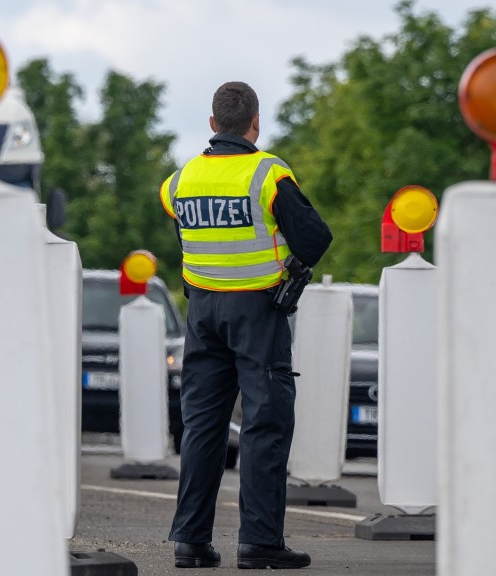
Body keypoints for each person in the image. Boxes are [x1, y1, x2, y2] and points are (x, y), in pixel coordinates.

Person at [159, 81, 332, 570]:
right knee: (264, 422)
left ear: (213, 124)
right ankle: (260, 542)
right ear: (255, 123)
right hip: (257, 312)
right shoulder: (267, 173)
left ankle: (190, 541)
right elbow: (315, 238)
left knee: (202, 425)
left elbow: (186, 230)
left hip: (202, 312)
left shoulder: (180, 180)